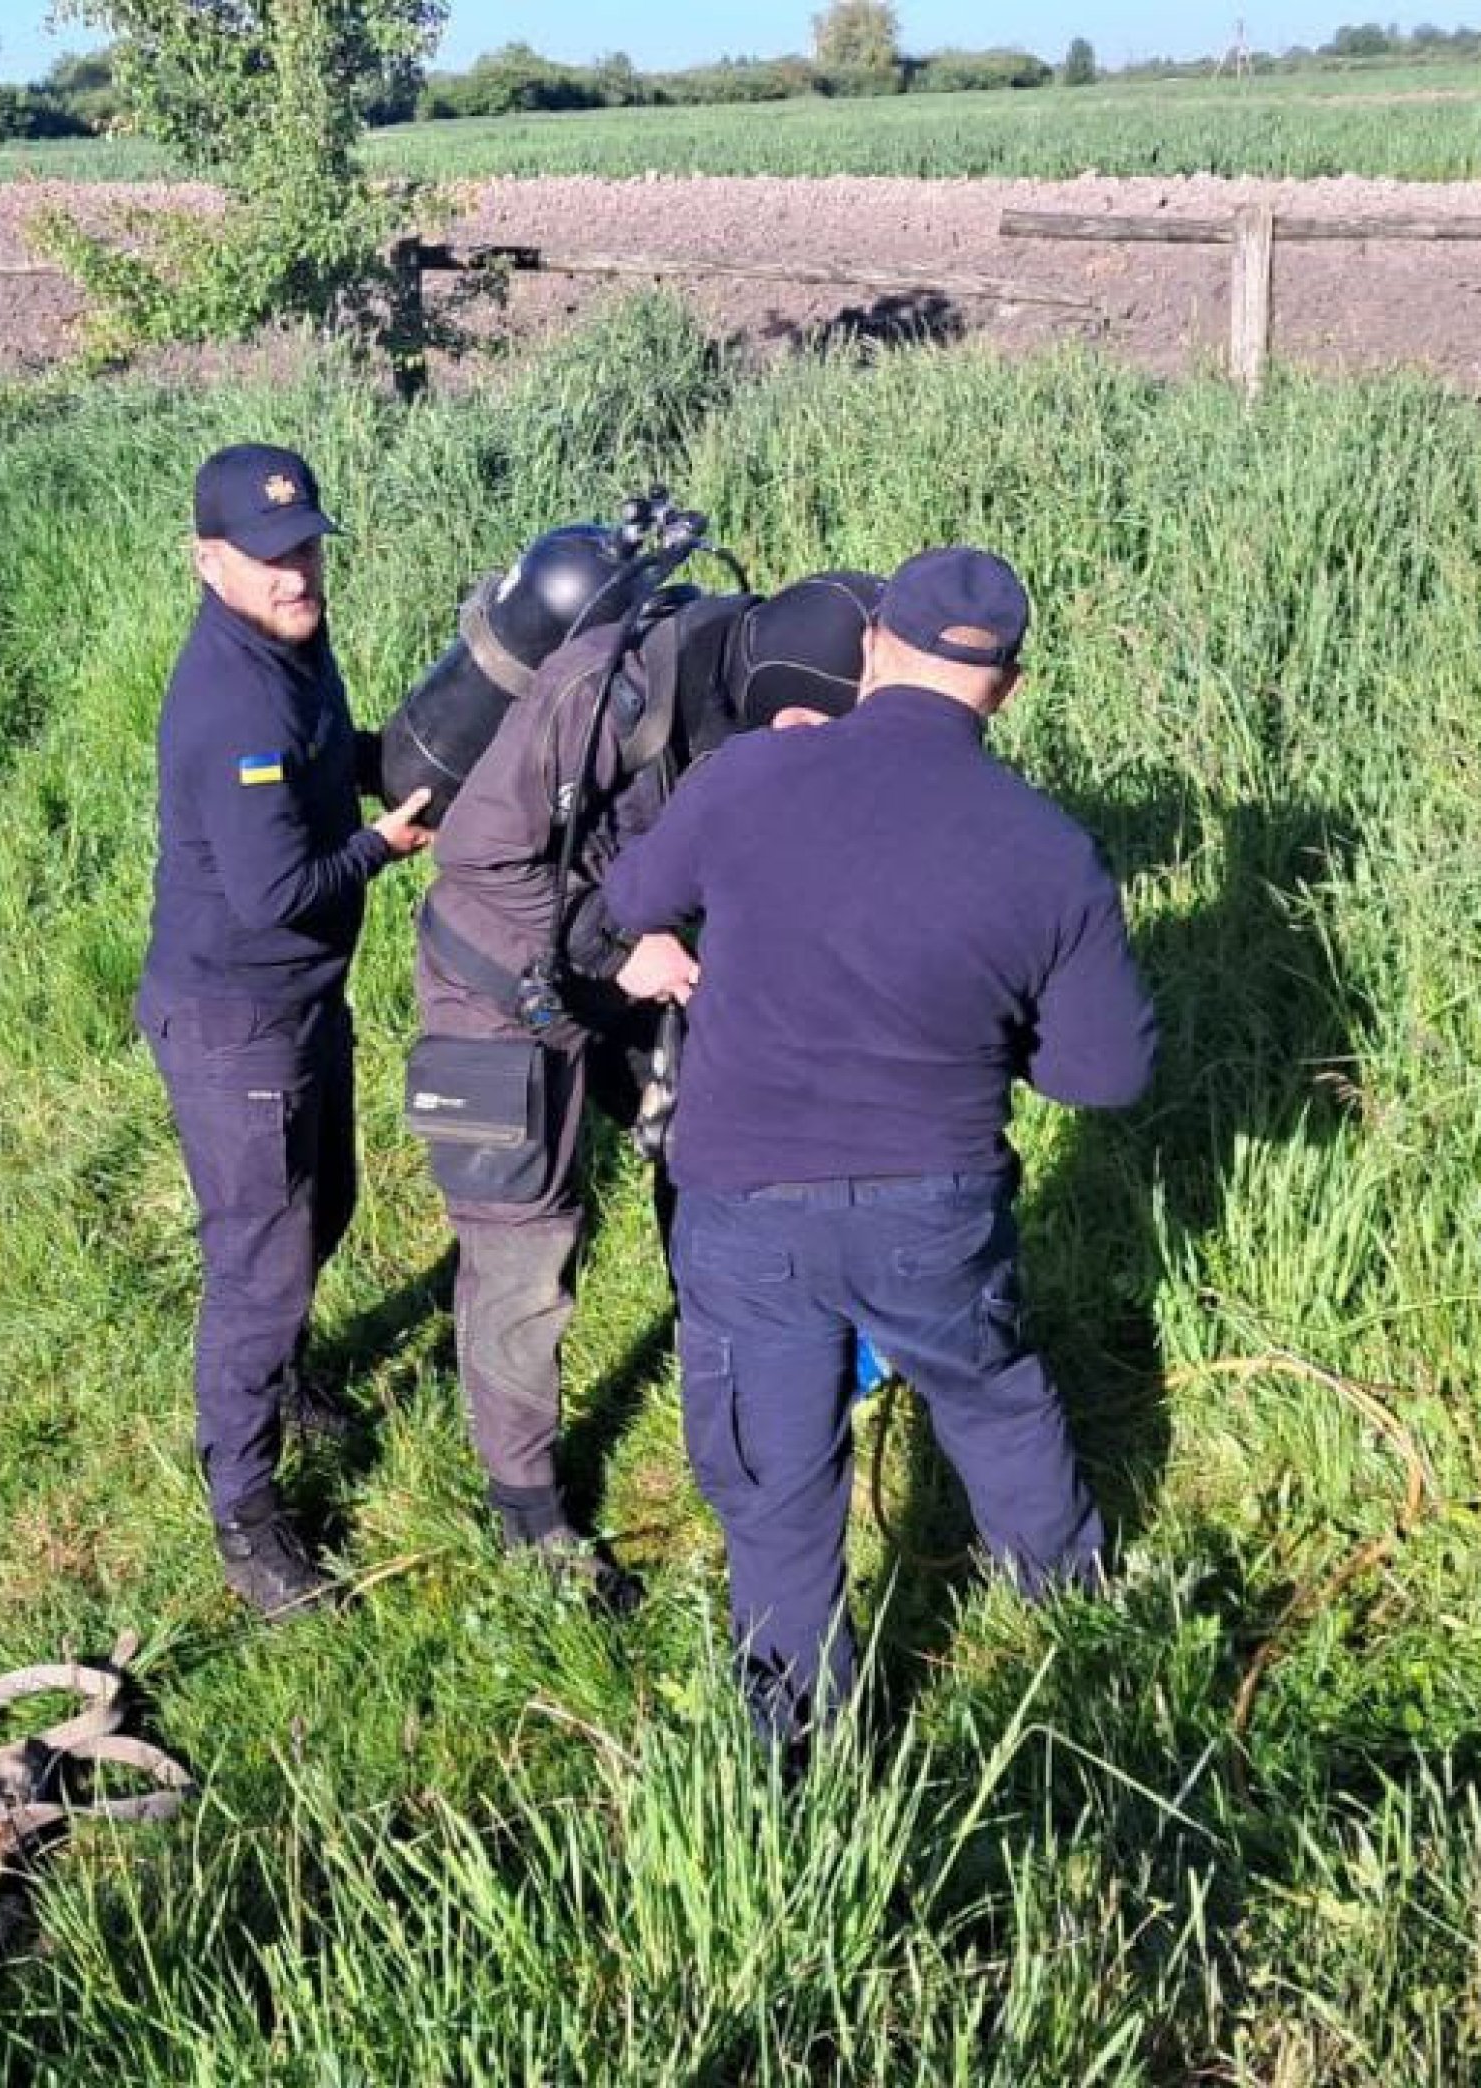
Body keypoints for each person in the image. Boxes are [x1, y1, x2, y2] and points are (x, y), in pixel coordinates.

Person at [601, 545, 1156, 1739]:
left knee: (777, 1484)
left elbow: (632, 898)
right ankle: (1082, 1644)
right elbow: (1101, 1074)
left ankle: (800, 1750)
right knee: (996, 1397)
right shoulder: (1048, 847)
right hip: (935, 1205)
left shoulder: (753, 776)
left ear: (868, 652)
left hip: (747, 1205)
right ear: (1005, 686)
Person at [408, 571, 883, 1595]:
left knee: (709, 1156)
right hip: (499, 968)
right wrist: (614, 948)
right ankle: (528, 1509)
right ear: (802, 714)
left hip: (640, 945)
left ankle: (742, 1398)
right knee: (525, 1250)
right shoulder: (604, 697)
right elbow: (478, 861)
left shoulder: (763, 699)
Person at [137, 443, 435, 1618]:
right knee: (258, 1270)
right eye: (267, 556)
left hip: (299, 1002)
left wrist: (409, 771)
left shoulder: (294, 651)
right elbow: (282, 890)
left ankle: (287, 1377)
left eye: (305, 545)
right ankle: (247, 1515)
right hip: (236, 1020)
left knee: (330, 1205)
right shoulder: (233, 702)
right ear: (208, 560)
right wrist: (387, 845)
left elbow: (330, 764)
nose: (294, 571)